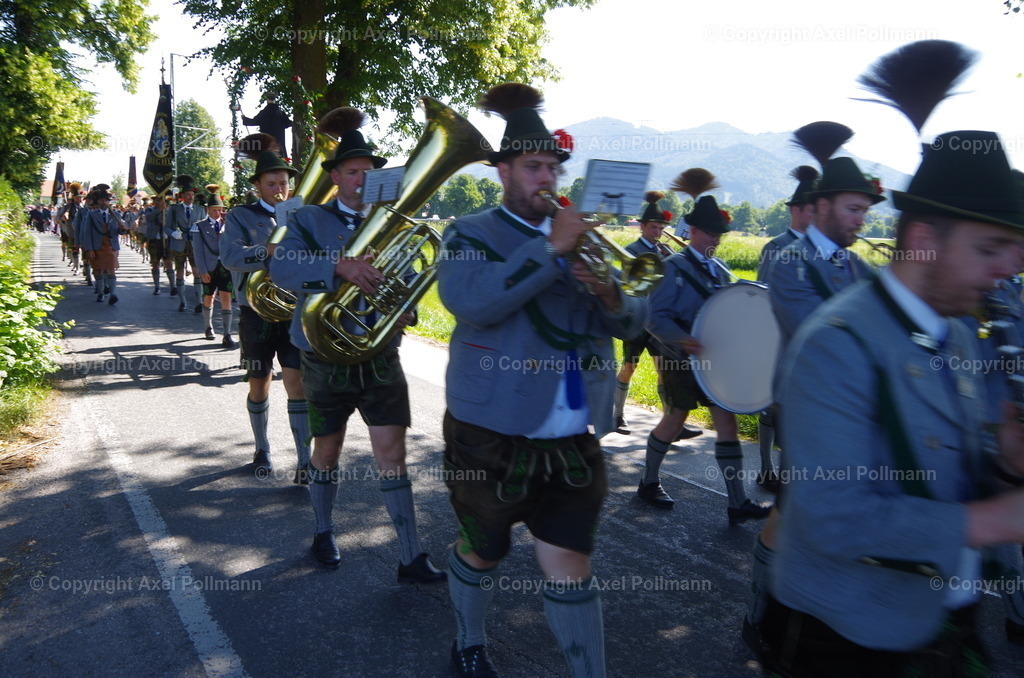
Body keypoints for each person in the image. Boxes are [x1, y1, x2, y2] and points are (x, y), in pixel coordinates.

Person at [757, 129, 1024, 677]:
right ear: (925, 238)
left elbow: (950, 459)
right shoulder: (838, 340)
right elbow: (834, 517)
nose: (1007, 269)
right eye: (988, 249)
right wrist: (994, 521)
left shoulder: (956, 328)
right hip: (850, 641)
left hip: (943, 625)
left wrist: (1002, 458)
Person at [437, 83, 648, 678]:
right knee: (483, 549)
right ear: (503, 170)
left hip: (574, 429)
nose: (546, 179)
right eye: (533, 166)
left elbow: (635, 318)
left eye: (553, 167)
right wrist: (549, 252)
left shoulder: (583, 236)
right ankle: (469, 641)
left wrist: (606, 287)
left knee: (571, 562)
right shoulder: (470, 233)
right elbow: (471, 302)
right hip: (490, 429)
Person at [270, 109, 444, 585]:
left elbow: (410, 275)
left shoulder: (394, 223)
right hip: (325, 353)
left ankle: (410, 554)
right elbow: (281, 272)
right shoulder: (307, 219)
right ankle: (324, 530)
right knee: (327, 451)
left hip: (380, 352)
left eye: (368, 171)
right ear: (335, 176)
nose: (360, 178)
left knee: (393, 451)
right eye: (352, 170)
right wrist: (337, 267)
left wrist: (405, 307)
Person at [643, 169, 770, 523]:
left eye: (720, 233)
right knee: (673, 421)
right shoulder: (672, 268)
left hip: (715, 363)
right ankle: (648, 480)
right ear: (694, 231)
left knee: (726, 424)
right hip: (680, 358)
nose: (716, 239)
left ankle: (737, 502)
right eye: (711, 232)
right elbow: (654, 319)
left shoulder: (721, 268)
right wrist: (684, 340)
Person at [222, 133, 311, 482]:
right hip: (256, 313)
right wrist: (265, 252)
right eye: (271, 183)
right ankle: (262, 447)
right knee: (259, 382)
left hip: (292, 313)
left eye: (283, 183)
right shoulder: (240, 216)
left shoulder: (302, 216)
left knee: (296, 384)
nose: (279, 189)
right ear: (258, 184)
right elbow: (229, 257)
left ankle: (304, 460)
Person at [612, 190, 701, 441]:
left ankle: (670, 423)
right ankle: (617, 414)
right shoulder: (632, 250)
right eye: (653, 227)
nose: (657, 232)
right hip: (637, 318)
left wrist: (675, 260)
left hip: (660, 320)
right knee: (630, 366)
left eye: (660, 227)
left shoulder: (667, 250)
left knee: (663, 370)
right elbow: (629, 286)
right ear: (642, 227)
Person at [753, 165, 819, 493]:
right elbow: (763, 296)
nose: (817, 215)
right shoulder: (776, 247)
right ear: (795, 211)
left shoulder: (821, 248)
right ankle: (766, 468)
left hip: (808, 346)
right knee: (771, 407)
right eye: (811, 209)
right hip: (778, 339)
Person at [191, 186, 235, 347]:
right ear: (207, 209)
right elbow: (198, 251)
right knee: (208, 297)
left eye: (220, 210)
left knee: (226, 297)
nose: (218, 213)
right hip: (209, 267)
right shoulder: (199, 226)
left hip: (225, 267)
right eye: (214, 210)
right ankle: (208, 327)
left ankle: (227, 333)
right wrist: (202, 271)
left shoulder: (227, 225)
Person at [78, 184, 124, 305]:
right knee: (98, 271)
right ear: (98, 202)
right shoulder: (91, 215)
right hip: (97, 247)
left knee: (111, 270)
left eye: (105, 200)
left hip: (111, 247)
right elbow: (86, 233)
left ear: (109, 202)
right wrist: (89, 249)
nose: (103, 202)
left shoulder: (116, 215)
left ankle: (113, 294)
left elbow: (119, 231)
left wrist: (122, 228)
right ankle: (101, 293)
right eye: (101, 200)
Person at [164, 175, 203, 312]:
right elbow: (166, 227)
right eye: (188, 194)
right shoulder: (175, 209)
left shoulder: (199, 210)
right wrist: (173, 233)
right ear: (182, 196)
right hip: (179, 243)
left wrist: (199, 230)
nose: (190, 197)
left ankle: (199, 301)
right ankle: (183, 302)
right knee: (180, 271)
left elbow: (204, 227)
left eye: (192, 194)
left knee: (196, 271)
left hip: (194, 244)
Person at [144, 194, 174, 295]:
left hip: (166, 240)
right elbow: (149, 218)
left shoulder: (169, 211)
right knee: (155, 263)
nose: (157, 203)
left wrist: (164, 211)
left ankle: (173, 286)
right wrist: (159, 210)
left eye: (159, 201)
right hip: (154, 240)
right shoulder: (150, 210)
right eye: (155, 201)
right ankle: (157, 286)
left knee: (169, 263)